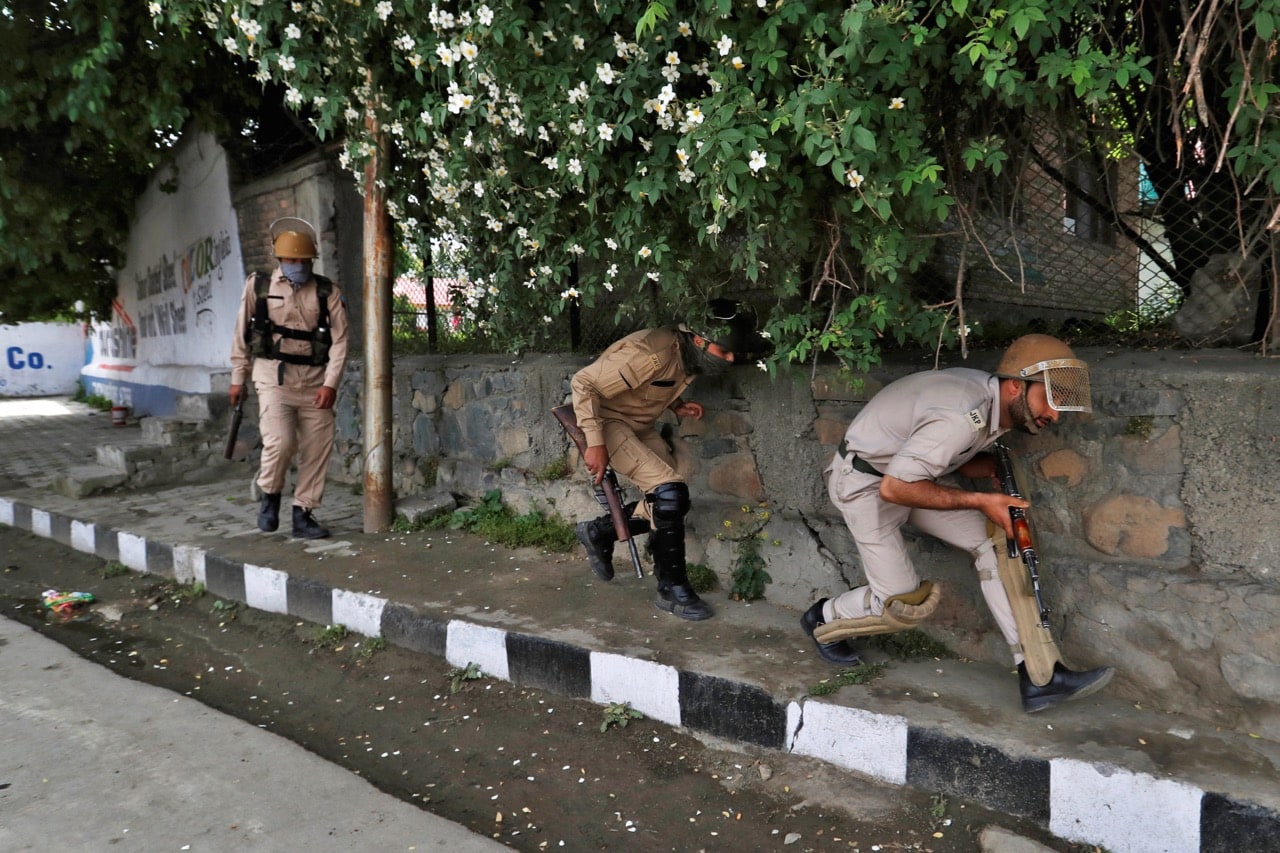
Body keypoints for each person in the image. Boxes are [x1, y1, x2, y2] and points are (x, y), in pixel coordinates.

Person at [801, 334, 1114, 712]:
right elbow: (896, 487)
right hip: (866, 486)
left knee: (998, 543)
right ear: (1017, 385)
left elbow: (933, 452)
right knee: (901, 602)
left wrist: (979, 470)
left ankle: (1040, 676)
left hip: (907, 480)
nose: (1056, 413)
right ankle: (823, 619)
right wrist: (980, 499)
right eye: (1049, 397)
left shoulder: (995, 402)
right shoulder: (961, 414)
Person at [570, 300, 767, 621]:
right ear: (700, 340)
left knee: (669, 503)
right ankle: (672, 589)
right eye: (724, 351)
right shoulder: (652, 353)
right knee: (669, 493)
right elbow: (584, 383)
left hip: (638, 425)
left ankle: (600, 532)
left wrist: (677, 405)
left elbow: (654, 383)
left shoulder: (686, 353)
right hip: (607, 423)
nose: (730, 359)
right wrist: (595, 443)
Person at [229, 218, 349, 540]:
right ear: (279, 259)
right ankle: (270, 496)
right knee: (280, 443)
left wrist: (330, 384)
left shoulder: (327, 291)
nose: (297, 265)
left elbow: (341, 341)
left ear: (312, 261)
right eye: (291, 260)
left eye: (303, 260)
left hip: (314, 380)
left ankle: (303, 513)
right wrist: (238, 377)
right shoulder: (259, 286)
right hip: (273, 377)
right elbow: (241, 332)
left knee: (317, 447)